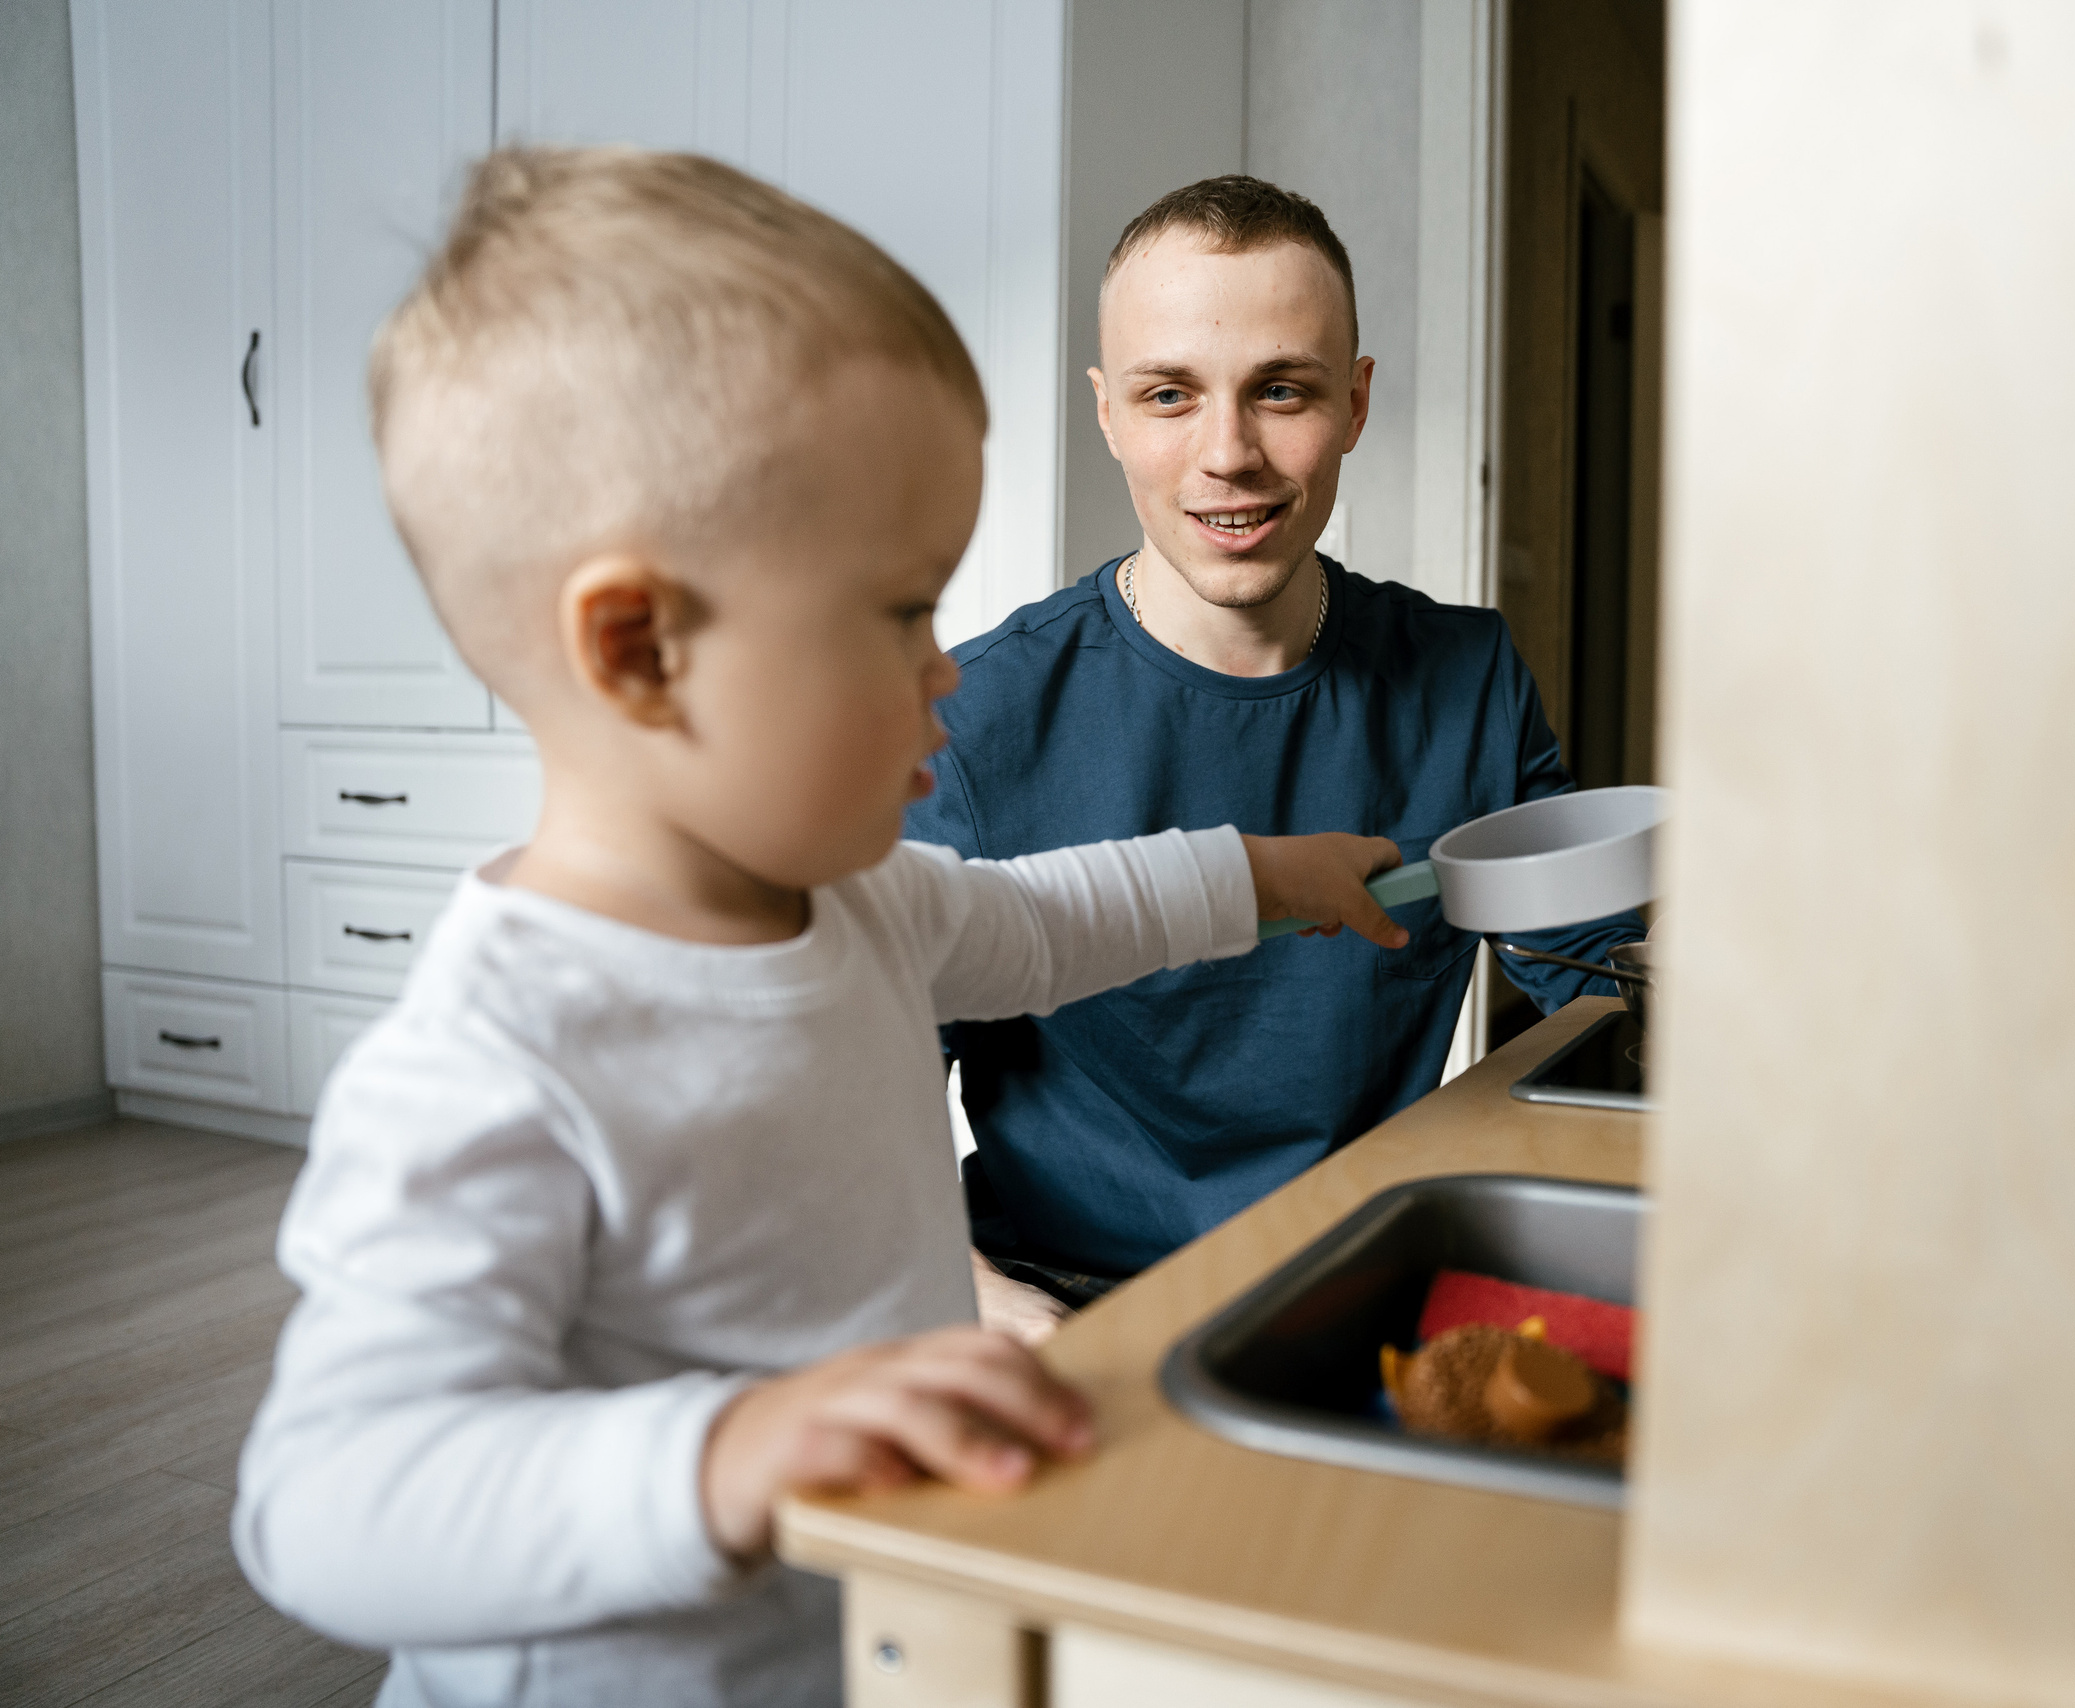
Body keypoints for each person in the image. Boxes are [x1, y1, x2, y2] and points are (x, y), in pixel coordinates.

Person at [230, 148, 1408, 1708]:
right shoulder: (494, 1061)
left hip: (856, 1643)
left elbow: (1047, 919)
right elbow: (323, 1503)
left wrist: (1260, 871)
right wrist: (724, 1450)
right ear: (641, 651)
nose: (946, 667)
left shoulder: (859, 903)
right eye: (899, 610)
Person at [909, 177, 1644, 1316]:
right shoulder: (971, 721)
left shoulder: (1469, 682)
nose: (1228, 453)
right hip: (1059, 1296)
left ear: (1352, 404)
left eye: (1282, 391)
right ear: (1106, 412)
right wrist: (985, 1304)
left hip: (1358, 1276)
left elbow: (1605, 985)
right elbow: (859, 1082)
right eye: (1169, 395)